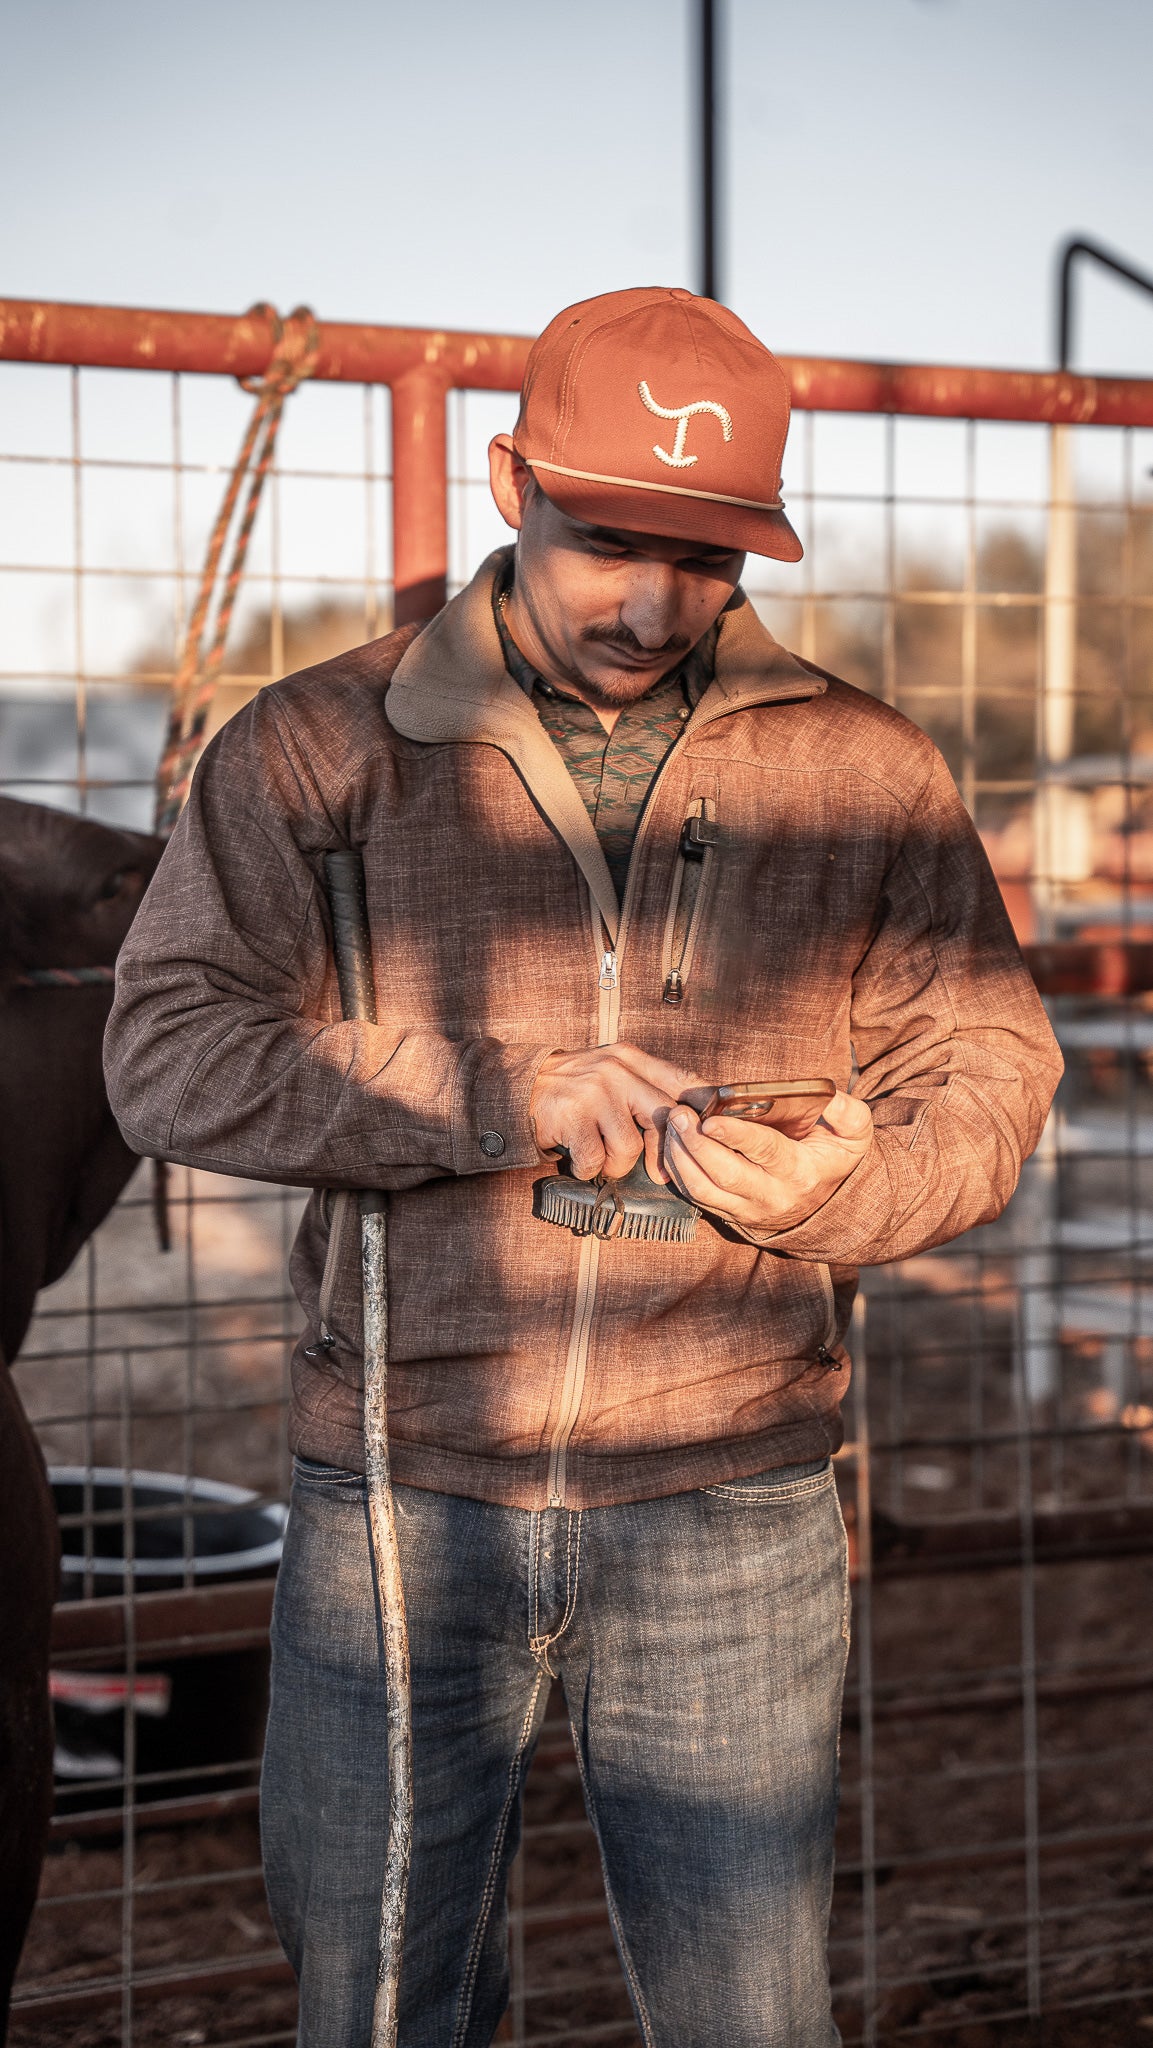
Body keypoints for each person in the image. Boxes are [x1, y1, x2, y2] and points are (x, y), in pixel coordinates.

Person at [105, 286, 1062, 2048]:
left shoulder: (863, 765)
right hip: (402, 1497)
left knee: (750, 2018)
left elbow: (987, 1064)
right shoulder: (317, 748)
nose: (648, 604)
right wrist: (486, 1090)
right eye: (605, 539)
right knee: (381, 2013)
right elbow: (165, 1048)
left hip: (737, 1499)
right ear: (505, 481)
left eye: (702, 557)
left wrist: (863, 1187)